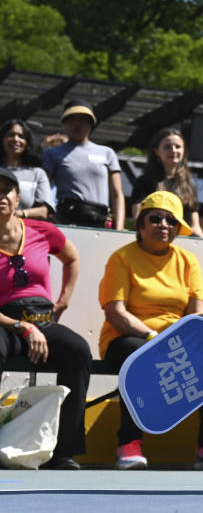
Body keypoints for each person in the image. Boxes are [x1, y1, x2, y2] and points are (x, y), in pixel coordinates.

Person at [98, 191, 203, 471]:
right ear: (141, 225)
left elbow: (195, 313)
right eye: (155, 218)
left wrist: (182, 343)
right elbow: (116, 313)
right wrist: (152, 339)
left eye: (171, 220)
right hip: (127, 338)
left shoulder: (188, 261)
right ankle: (129, 443)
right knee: (138, 357)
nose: (164, 225)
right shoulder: (121, 258)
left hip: (174, 341)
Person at [0, 167, 89, 469]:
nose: (0, 196)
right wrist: (21, 327)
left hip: (43, 321)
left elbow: (72, 258)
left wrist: (63, 300)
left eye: (6, 190)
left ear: (16, 196)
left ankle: (65, 451)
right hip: (5, 324)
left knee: (77, 350)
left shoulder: (41, 230)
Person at [42, 100, 125, 229]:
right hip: (67, 219)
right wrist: (55, 220)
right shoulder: (52, 153)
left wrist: (119, 228)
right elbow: (44, 191)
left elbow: (117, 194)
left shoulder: (107, 153)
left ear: (91, 123)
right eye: (72, 119)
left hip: (100, 221)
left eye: (83, 119)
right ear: (64, 123)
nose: (77, 123)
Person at [130, 128, 203, 235]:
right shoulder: (144, 182)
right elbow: (138, 219)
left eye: (178, 147)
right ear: (156, 151)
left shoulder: (189, 185)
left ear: (184, 151)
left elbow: (195, 227)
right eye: (167, 147)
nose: (173, 150)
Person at [1, 119, 55, 220]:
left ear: (27, 142)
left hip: (25, 231)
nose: (16, 139)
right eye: (11, 135)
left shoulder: (37, 174)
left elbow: (44, 211)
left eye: (21, 136)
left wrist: (19, 214)